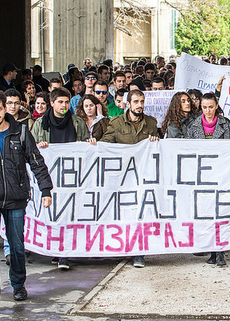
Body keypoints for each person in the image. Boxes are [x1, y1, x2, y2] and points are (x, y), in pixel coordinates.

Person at [0, 89, 53, 315]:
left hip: (16, 198)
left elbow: (36, 162)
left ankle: (17, 284)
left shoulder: (21, 132)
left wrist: (46, 189)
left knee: (16, 247)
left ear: (6, 108)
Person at [99, 90, 159, 269]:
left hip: (143, 174)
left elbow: (156, 146)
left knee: (140, 213)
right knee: (124, 212)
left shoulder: (151, 122)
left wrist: (155, 140)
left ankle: (138, 252)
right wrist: (95, 145)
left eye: (141, 101)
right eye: (135, 102)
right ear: (128, 103)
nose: (139, 105)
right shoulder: (116, 123)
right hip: (122, 176)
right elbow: (106, 143)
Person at [31, 88, 89, 270]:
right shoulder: (40, 124)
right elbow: (31, 150)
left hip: (72, 177)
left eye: (66, 102)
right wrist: (40, 147)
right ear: (52, 103)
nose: (64, 106)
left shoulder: (78, 123)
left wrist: (88, 145)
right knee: (53, 215)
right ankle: (55, 249)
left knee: (69, 214)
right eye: (60, 102)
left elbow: (87, 148)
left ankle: (64, 253)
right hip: (50, 176)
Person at [186, 93, 230, 266]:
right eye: (205, 107)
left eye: (211, 107)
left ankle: (220, 251)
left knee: (220, 214)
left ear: (216, 106)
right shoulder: (193, 127)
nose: (208, 111)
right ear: (201, 107)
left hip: (221, 175)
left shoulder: (226, 124)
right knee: (206, 215)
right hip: (202, 176)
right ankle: (212, 250)